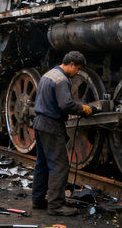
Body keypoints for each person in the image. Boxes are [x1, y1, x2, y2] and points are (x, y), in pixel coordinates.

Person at [32, 51, 93, 216]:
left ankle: (37, 200)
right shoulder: (62, 79)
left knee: (42, 163)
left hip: (39, 123)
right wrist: (82, 109)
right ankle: (55, 205)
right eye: (77, 69)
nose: (77, 73)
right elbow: (65, 105)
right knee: (59, 166)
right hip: (51, 125)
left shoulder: (48, 75)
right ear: (71, 64)